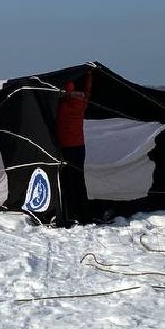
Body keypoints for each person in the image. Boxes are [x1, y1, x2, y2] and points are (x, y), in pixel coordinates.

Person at [55, 74, 91, 225]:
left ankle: (69, 212)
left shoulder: (60, 106)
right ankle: (83, 213)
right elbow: (87, 91)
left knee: (65, 182)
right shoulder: (82, 102)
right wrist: (89, 75)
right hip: (80, 147)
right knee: (79, 181)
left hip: (65, 147)